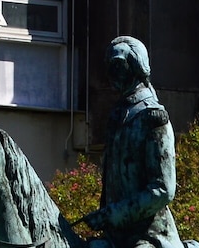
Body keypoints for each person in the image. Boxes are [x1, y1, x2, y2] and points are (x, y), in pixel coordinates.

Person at [80, 36, 185, 248]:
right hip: (115, 236)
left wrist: (115, 214)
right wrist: (104, 216)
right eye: (110, 66)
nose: (112, 73)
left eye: (119, 65)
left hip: (149, 236)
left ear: (137, 67)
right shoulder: (117, 117)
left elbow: (163, 190)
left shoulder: (153, 117)